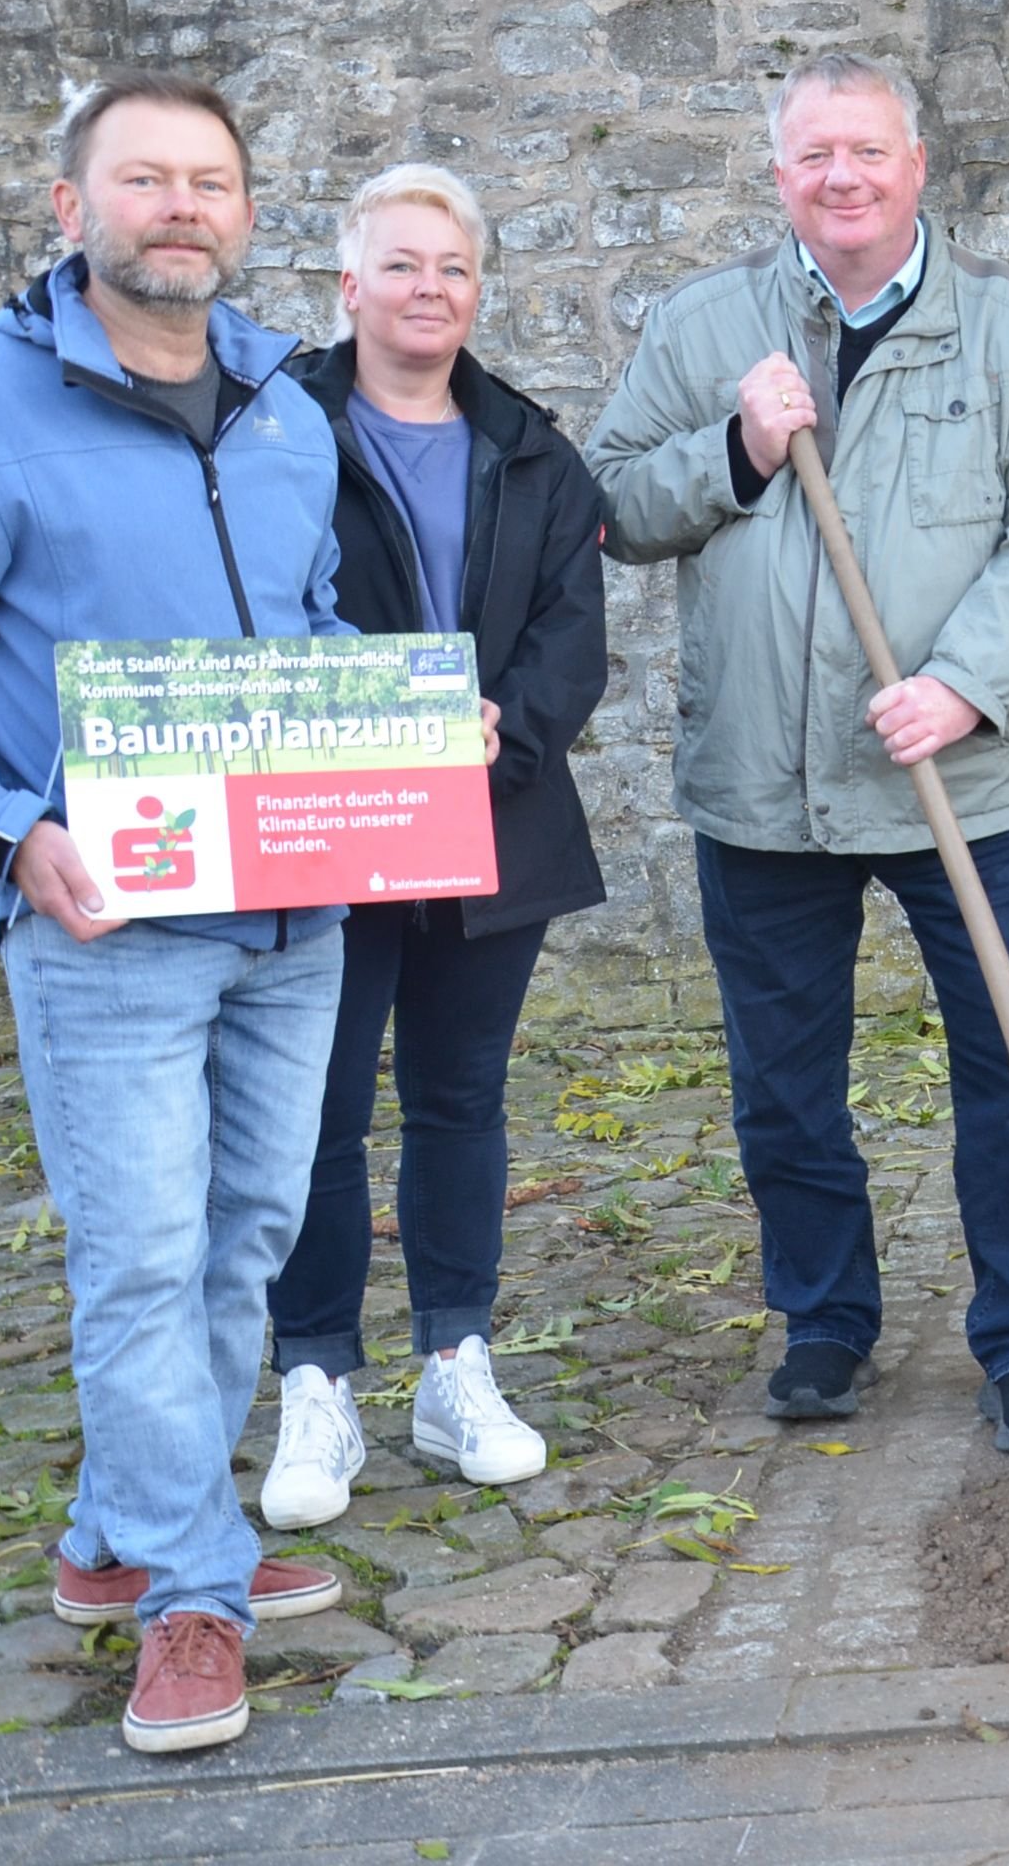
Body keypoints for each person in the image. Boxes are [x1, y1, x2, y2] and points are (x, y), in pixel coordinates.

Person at [0, 72, 380, 1754]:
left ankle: (117, 1536)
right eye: (143, 180)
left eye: (212, 181)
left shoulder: (282, 408)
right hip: (105, 918)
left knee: (246, 1232)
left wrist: (402, 729)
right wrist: (8, 829)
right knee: (138, 1257)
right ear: (69, 208)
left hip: (290, 921)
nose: (179, 207)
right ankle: (194, 1587)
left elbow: (312, 628)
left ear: (248, 212)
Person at [585, 53, 1009, 1459]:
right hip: (764, 786)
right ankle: (824, 1320)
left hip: (965, 779)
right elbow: (615, 505)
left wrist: (962, 683)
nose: (843, 178)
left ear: (916, 167)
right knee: (783, 1080)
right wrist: (739, 449)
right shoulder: (707, 327)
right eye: (815, 156)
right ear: (779, 177)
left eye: (868, 153)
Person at [259, 166, 611, 1529]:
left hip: (488, 821)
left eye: (451, 269)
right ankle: (316, 1377)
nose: (427, 290)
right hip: (327, 827)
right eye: (400, 266)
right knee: (323, 1111)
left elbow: (572, 632)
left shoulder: (533, 448)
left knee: (462, 1103)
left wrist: (503, 733)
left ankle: (455, 1357)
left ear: (476, 290)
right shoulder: (270, 431)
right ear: (349, 287)